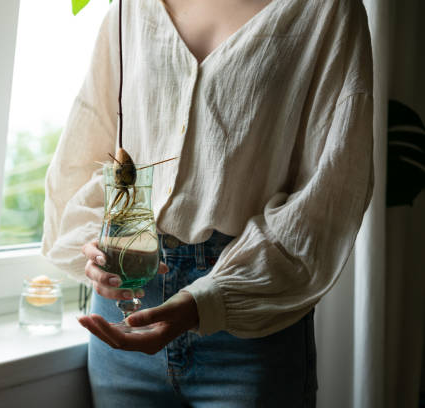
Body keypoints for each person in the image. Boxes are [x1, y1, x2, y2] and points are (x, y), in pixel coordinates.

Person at [42, 0, 373, 406]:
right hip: (124, 312)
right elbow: (90, 146)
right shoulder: (130, 8)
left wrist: (212, 300)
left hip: (248, 320)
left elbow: (332, 185)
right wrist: (94, 242)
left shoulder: (326, 11)